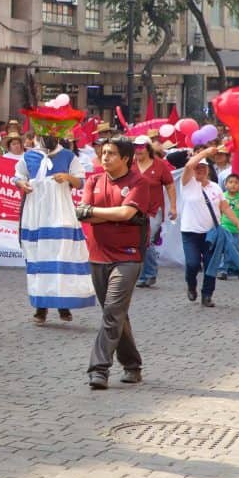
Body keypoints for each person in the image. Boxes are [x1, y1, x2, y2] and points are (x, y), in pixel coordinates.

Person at [76, 137, 151, 390]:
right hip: (97, 256)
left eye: (111, 153)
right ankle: (132, 365)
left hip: (128, 257)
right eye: (103, 152)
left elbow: (126, 213)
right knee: (116, 313)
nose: (105, 157)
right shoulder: (93, 180)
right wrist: (111, 215)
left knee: (112, 311)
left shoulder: (139, 183)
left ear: (126, 158)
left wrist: (97, 213)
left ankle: (98, 369)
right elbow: (84, 215)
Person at [14, 104, 95, 324]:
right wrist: (23, 184)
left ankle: (64, 305)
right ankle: (41, 307)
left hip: (61, 212)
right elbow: (18, 176)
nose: (49, 136)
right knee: (39, 258)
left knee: (62, 257)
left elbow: (80, 180)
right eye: (45, 133)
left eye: (53, 133)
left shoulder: (69, 156)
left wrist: (67, 178)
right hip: (36, 213)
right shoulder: (29, 156)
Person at [180, 148, 239, 308]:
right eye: (197, 167)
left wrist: (237, 223)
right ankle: (191, 284)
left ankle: (207, 295)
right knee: (193, 263)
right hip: (190, 232)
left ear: (208, 170)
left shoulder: (215, 187)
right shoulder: (187, 184)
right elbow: (188, 166)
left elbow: (225, 207)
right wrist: (205, 153)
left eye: (203, 167)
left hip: (211, 233)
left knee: (211, 265)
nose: (199, 170)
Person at [132, 135, 176, 288]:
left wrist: (173, 206)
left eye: (141, 147)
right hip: (133, 209)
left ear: (148, 149)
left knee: (147, 239)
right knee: (137, 241)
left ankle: (149, 273)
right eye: (135, 147)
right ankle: (141, 273)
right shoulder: (130, 164)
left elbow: (170, 185)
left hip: (153, 210)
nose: (138, 150)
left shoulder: (159, 165)